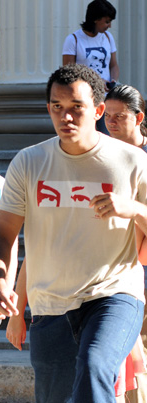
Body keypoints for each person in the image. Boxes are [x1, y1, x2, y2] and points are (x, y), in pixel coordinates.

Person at [0, 64, 146, 403]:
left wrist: (130, 209)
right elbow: (3, 232)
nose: (66, 116)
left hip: (114, 295)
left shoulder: (133, 162)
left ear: (99, 110)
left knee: (94, 367)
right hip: (51, 304)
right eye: (57, 107)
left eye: (76, 107)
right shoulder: (29, 162)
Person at [104, 84, 147, 402]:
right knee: (129, 364)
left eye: (119, 116)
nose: (111, 123)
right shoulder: (101, 157)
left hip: (140, 267)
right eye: (107, 116)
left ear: (139, 117)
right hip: (113, 272)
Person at [62, 0, 118, 134]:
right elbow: (68, 73)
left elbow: (114, 66)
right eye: (107, 21)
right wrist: (95, 83)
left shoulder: (108, 37)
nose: (109, 26)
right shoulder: (73, 39)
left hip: (106, 99)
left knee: (108, 136)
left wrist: (113, 81)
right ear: (95, 19)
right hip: (84, 99)